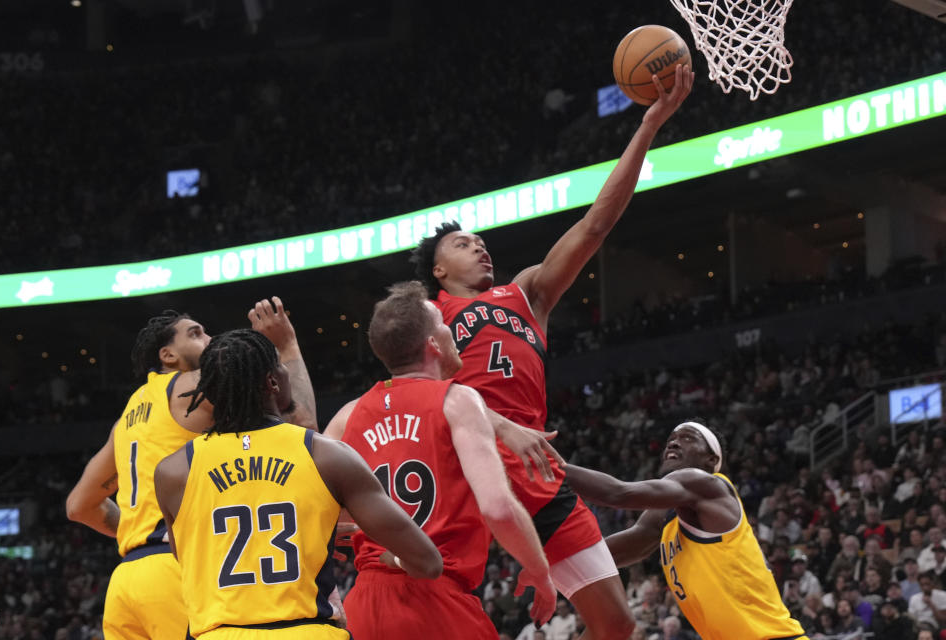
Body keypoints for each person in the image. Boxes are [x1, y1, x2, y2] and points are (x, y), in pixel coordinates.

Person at [411, 64, 694, 639]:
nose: (479, 247)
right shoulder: (425, 315)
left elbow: (594, 226)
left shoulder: (526, 294)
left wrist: (648, 126)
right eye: (464, 244)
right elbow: (421, 395)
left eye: (482, 241)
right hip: (459, 468)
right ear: (439, 269)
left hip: (535, 469)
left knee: (618, 625)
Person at [154, 329, 443, 638]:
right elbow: (428, 562)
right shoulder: (327, 455)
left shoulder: (173, 471)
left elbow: (186, 555)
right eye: (281, 365)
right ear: (273, 381)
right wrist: (391, 557)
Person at [65, 299, 313, 639]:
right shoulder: (193, 386)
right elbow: (303, 423)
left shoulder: (128, 418)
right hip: (174, 570)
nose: (210, 339)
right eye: (196, 333)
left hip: (127, 580)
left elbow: (79, 506)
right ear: (168, 355)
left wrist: (139, 535)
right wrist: (287, 346)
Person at [324, 281, 556, 639]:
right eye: (444, 324)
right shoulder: (458, 400)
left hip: (364, 605)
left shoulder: (346, 417)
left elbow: (306, 514)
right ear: (433, 343)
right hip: (437, 597)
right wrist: (540, 573)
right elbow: (498, 508)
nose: (452, 331)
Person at [561, 421, 808, 640]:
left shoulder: (707, 484)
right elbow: (608, 554)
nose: (675, 443)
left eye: (688, 438)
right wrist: (546, 564)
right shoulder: (664, 518)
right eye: (671, 440)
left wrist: (547, 464)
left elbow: (617, 493)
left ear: (711, 460)